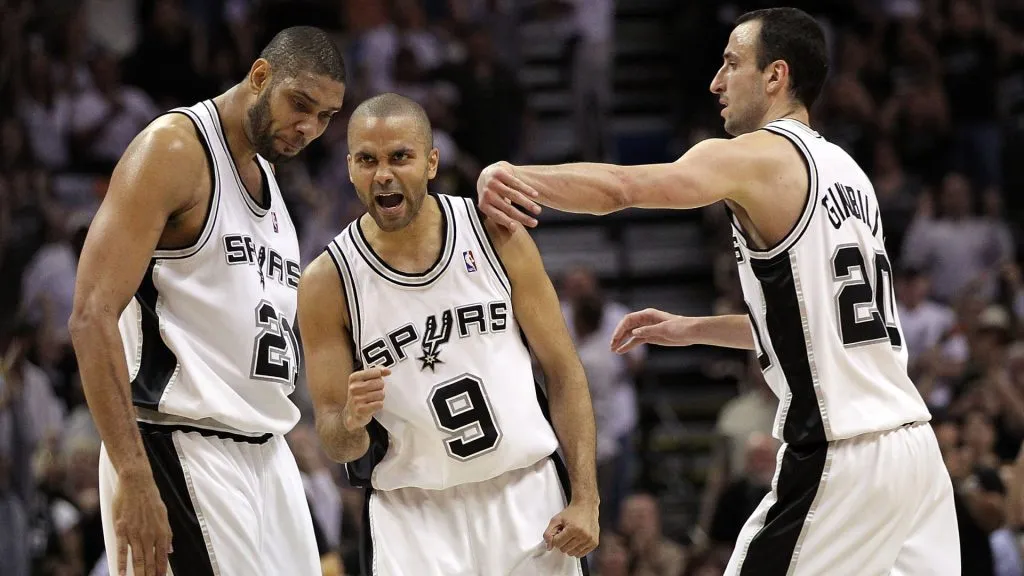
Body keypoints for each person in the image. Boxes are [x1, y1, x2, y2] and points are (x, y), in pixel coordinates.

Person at [477, 7, 959, 576]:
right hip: (916, 452)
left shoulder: (753, 156)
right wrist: (693, 329)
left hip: (845, 451)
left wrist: (515, 177)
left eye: (732, 64)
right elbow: (820, 323)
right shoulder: (850, 172)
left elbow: (626, 187)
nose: (715, 82)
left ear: (776, 76)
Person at [68, 26, 346, 576]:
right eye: (300, 105)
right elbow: (90, 315)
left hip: (265, 450)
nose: (308, 128)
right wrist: (134, 474)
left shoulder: (266, 174)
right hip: (180, 446)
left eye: (325, 117)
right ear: (260, 76)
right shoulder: (175, 148)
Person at [297, 93, 599, 576]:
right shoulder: (326, 281)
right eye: (367, 160)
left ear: (432, 162)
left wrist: (587, 498)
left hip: (527, 496)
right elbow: (337, 443)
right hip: (412, 516)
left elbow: (564, 370)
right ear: (350, 168)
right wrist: (352, 420)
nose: (384, 174)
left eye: (400, 156)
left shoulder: (495, 234)